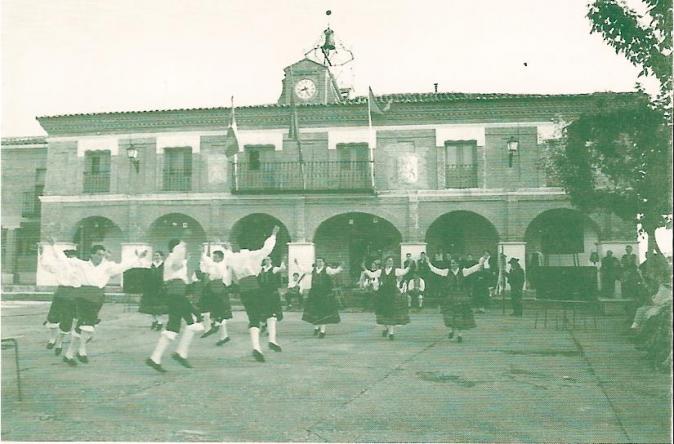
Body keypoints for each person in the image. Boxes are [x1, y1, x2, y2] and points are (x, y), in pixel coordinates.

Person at [46, 239, 146, 366]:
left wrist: (137, 258)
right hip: (82, 297)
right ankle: (80, 351)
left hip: (97, 298)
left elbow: (123, 266)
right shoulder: (81, 264)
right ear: (92, 254)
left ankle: (71, 354)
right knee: (85, 325)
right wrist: (53, 246)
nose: (100, 257)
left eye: (102, 255)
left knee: (86, 327)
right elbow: (63, 259)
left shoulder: (107, 267)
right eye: (98, 254)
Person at [146, 239, 205, 373]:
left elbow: (178, 266)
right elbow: (177, 265)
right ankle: (179, 354)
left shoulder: (172, 260)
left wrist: (184, 255)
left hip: (176, 294)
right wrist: (181, 247)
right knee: (194, 321)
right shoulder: (173, 259)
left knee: (174, 326)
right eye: (181, 248)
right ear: (176, 248)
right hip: (176, 294)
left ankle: (156, 358)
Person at [226, 226, 280, 363]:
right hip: (254, 287)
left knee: (253, 318)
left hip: (243, 290)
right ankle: (272, 340)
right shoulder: (252, 255)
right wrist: (273, 235)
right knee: (271, 313)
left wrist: (227, 248)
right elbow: (267, 249)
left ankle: (256, 347)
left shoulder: (233, 257)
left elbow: (228, 263)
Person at [427, 258, 483, 342]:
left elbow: (473, 269)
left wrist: (482, 261)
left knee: (460, 315)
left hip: (461, 296)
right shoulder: (447, 271)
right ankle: (451, 330)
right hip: (450, 296)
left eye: (453, 263)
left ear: (458, 264)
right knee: (451, 314)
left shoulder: (463, 271)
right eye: (451, 263)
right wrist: (428, 263)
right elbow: (436, 270)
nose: (452, 265)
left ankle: (460, 335)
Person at [39, 246, 80, 356]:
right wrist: (42, 255)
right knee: (57, 318)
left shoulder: (76, 265)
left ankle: (57, 342)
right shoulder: (62, 265)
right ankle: (56, 341)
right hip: (64, 293)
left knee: (62, 319)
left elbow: (47, 266)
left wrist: (44, 254)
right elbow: (48, 266)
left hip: (69, 293)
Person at [361, 256, 410, 340]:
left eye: (392, 261)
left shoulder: (396, 270)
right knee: (383, 313)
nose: (391, 262)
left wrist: (409, 266)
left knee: (391, 313)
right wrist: (364, 268)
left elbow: (404, 272)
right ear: (386, 262)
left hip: (392, 294)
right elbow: (372, 274)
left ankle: (391, 333)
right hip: (383, 294)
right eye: (389, 261)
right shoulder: (380, 271)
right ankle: (386, 328)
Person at [299, 258, 343, 338]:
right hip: (314, 294)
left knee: (323, 312)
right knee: (315, 311)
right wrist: (298, 264)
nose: (319, 263)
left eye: (320, 261)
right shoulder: (313, 270)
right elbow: (304, 270)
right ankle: (316, 328)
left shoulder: (327, 269)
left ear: (323, 262)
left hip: (324, 294)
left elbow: (334, 272)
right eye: (317, 261)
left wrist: (340, 267)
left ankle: (323, 331)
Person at [199, 246, 234, 346]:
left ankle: (214, 328)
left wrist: (203, 254)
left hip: (218, 289)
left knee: (218, 311)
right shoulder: (215, 265)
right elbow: (208, 265)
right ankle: (223, 335)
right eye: (213, 257)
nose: (213, 258)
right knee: (216, 311)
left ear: (220, 258)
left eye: (215, 257)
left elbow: (210, 264)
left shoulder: (220, 265)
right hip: (213, 288)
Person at [138, 251, 167, 331]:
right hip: (151, 288)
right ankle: (154, 321)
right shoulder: (151, 265)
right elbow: (143, 268)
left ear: (162, 256)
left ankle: (160, 322)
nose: (156, 257)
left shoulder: (164, 265)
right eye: (154, 255)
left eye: (158, 255)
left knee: (159, 307)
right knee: (151, 306)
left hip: (160, 289)